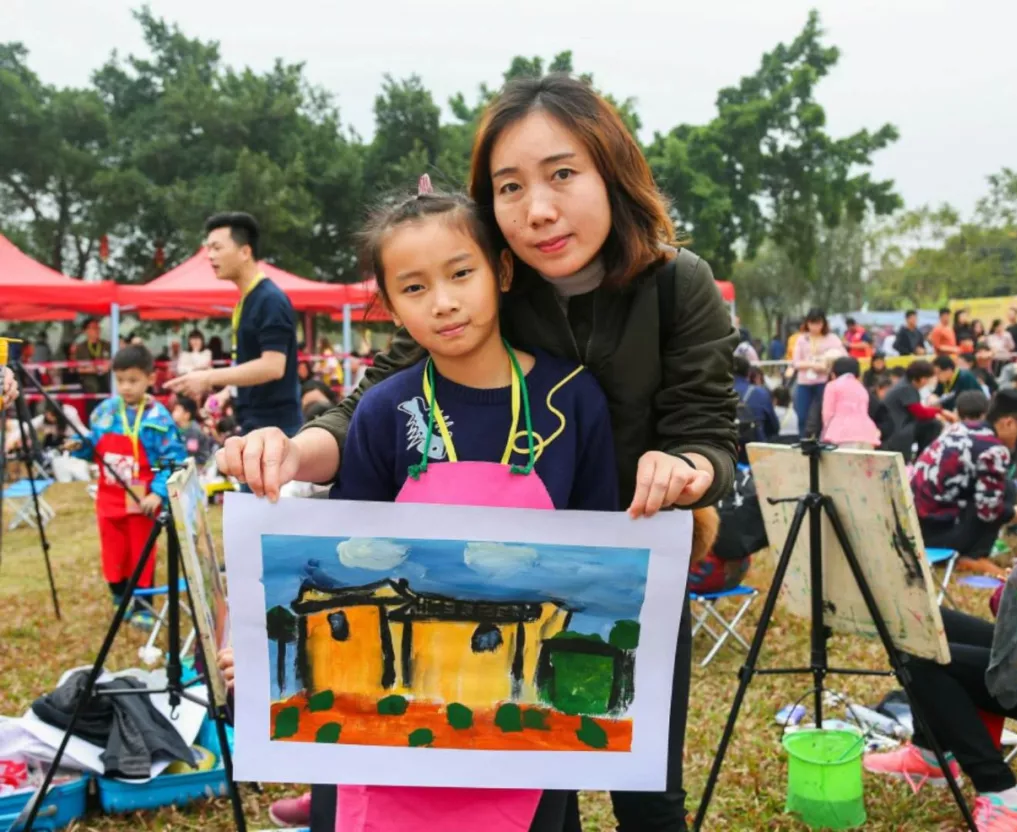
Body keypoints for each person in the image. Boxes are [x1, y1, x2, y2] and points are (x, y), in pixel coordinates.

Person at [216, 73, 738, 832]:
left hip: (626, 564)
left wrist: (689, 467)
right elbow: (375, 401)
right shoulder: (478, 276)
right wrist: (295, 450)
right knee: (510, 764)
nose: (540, 209)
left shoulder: (676, 284)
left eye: (563, 174)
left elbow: (707, 427)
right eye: (510, 186)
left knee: (645, 790)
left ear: (611, 170)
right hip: (458, 593)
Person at [329, 178, 623, 830]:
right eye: (414, 288)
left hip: (529, 712)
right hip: (399, 718)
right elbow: (343, 559)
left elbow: (604, 559)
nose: (443, 302)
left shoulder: (571, 400)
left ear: (503, 270)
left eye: (461, 273)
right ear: (389, 305)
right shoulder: (384, 411)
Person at [865, 422, 1017, 832]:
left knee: (928, 662)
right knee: (925, 627)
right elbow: (1014, 615)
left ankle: (1004, 795)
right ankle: (931, 752)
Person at [69, 345, 186, 617]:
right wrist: (80, 446)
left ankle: (143, 606)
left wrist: (158, 493)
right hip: (108, 498)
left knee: (141, 553)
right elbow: (94, 448)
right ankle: (119, 597)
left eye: (133, 380)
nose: (125, 387)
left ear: (150, 378)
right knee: (113, 552)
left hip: (140, 500)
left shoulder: (159, 418)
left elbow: (172, 460)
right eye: (120, 380)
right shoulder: (104, 412)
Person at [166, 213, 302, 437]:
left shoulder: (270, 300)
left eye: (217, 248)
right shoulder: (246, 301)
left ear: (245, 252)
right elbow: (251, 363)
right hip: (253, 423)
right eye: (208, 248)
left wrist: (209, 377)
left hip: (275, 429)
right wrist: (228, 392)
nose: (210, 256)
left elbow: (273, 366)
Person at [911, 389, 1017, 572]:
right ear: (1009, 423)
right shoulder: (993, 449)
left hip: (918, 524)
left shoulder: (961, 428)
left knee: (1006, 486)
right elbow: (989, 510)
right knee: (1005, 493)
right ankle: (972, 556)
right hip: (939, 532)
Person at [881, 360, 955, 462]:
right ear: (923, 379)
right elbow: (920, 413)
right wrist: (940, 411)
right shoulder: (906, 388)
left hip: (900, 425)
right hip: (897, 429)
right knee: (933, 425)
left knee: (932, 423)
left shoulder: (906, 384)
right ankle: (924, 457)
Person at [789, 309, 844, 437]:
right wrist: (813, 365)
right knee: (802, 415)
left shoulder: (832, 338)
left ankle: (822, 441)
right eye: (812, 323)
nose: (815, 327)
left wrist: (827, 364)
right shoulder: (802, 339)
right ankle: (803, 441)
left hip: (823, 382)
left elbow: (842, 356)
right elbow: (796, 362)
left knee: (823, 415)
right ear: (807, 323)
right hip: (804, 382)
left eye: (818, 323)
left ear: (823, 323)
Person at [821, 356, 880, 449]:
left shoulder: (832, 386)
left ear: (834, 373)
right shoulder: (861, 387)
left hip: (842, 433)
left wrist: (827, 432)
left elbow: (827, 414)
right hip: (867, 433)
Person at [732, 355, 778, 447]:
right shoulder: (761, 393)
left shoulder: (717, 392)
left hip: (726, 451)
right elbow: (774, 427)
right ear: (748, 373)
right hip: (756, 450)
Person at [73, 318, 111, 399]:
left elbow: (113, 361)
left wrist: (107, 366)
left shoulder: (107, 345)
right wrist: (94, 369)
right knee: (92, 388)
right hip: (89, 379)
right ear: (85, 331)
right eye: (94, 328)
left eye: (98, 328)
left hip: (106, 377)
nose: (97, 330)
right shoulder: (80, 348)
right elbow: (77, 368)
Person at [172, 396, 214, 466]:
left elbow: (191, 453)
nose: (174, 413)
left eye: (177, 410)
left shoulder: (193, 431)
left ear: (186, 415)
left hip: (199, 464)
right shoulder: (177, 428)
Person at [868, 374, 897, 444]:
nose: (888, 393)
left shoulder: (887, 402)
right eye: (886, 390)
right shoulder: (873, 402)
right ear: (878, 389)